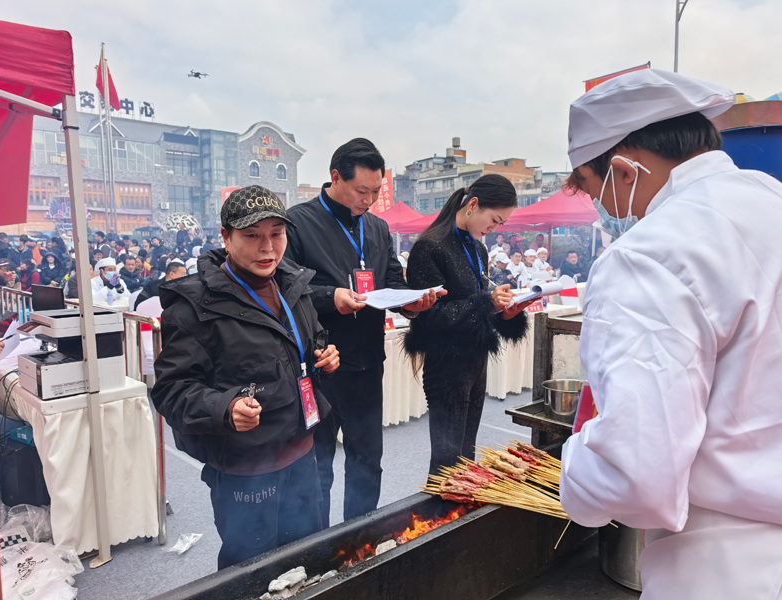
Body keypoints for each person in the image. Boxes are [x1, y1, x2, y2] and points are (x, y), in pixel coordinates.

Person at [559, 69, 782, 599]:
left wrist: (575, 467)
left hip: (727, 567)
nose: (604, 209)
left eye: (591, 189)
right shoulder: (770, 199)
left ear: (623, 170)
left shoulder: (648, 254)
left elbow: (637, 473)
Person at [152, 186, 339, 570]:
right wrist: (225, 407)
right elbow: (170, 390)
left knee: (308, 559)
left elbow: (311, 338)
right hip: (246, 471)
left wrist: (325, 354)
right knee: (250, 573)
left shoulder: (293, 284)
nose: (267, 247)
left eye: (276, 233)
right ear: (226, 236)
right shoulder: (194, 307)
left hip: (304, 454)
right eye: (252, 235)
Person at [284, 138, 441, 526]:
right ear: (335, 177)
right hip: (320, 365)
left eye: (375, 191)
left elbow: (391, 281)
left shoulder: (377, 227)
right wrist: (331, 297)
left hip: (368, 361)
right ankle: (315, 546)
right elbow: (284, 290)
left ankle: (359, 539)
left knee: (367, 460)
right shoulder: (298, 222)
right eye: (361, 191)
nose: (369, 200)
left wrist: (411, 302)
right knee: (317, 464)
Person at [404, 174, 532, 476]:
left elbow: (476, 309)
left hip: (476, 361)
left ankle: (458, 506)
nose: (495, 229)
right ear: (473, 204)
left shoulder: (478, 248)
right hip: (446, 364)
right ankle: (439, 507)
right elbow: (430, 317)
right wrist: (486, 303)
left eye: (501, 224)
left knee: (466, 457)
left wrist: (505, 313)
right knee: (447, 462)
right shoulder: (429, 247)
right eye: (495, 220)